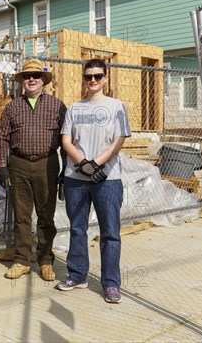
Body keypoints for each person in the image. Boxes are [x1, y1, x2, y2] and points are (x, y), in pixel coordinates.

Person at [56, 58, 131, 304]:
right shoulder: (75, 108)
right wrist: (83, 164)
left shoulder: (117, 106)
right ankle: (77, 275)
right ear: (84, 79)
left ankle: (110, 283)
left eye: (98, 76)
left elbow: (118, 140)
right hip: (76, 178)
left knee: (110, 232)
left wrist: (96, 164)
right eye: (89, 76)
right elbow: (66, 141)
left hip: (107, 179)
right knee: (78, 228)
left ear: (105, 78)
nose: (93, 80)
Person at [0, 58, 67, 282]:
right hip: (18, 164)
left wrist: (66, 170)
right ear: (22, 81)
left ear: (43, 81)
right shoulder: (12, 106)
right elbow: (2, 138)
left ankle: (46, 260)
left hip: (47, 164)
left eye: (36, 76)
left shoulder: (57, 106)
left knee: (46, 215)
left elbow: (66, 140)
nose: (31, 79)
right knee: (22, 216)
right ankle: (22, 260)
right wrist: (2, 167)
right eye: (27, 76)